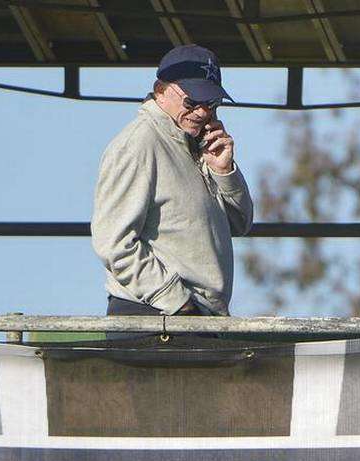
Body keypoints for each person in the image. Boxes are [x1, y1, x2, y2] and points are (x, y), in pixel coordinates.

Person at [91, 44, 253, 324]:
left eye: (212, 103)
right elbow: (113, 243)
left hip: (194, 318)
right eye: (192, 102)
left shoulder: (196, 145)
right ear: (160, 91)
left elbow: (241, 224)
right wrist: (177, 302)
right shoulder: (140, 143)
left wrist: (224, 171)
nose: (202, 112)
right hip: (156, 319)